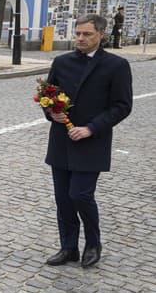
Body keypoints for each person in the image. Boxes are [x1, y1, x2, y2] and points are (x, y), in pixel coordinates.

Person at [44, 14, 132, 268]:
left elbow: (122, 106)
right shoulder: (61, 62)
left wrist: (91, 128)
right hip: (61, 140)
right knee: (63, 198)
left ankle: (93, 243)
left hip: (91, 142)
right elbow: (48, 94)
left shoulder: (116, 65)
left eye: (87, 34)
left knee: (80, 195)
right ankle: (68, 247)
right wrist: (52, 112)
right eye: (78, 33)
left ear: (101, 34)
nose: (81, 38)